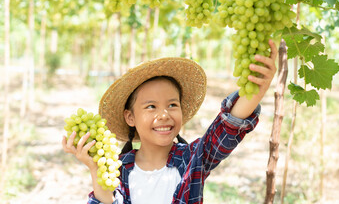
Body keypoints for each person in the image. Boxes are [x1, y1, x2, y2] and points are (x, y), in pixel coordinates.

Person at [62, 40, 278, 204]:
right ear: (130, 117)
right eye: (151, 106)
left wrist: (256, 91)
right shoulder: (118, 170)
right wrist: (96, 171)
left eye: (172, 105)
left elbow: (227, 127)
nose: (164, 114)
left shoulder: (194, 158)